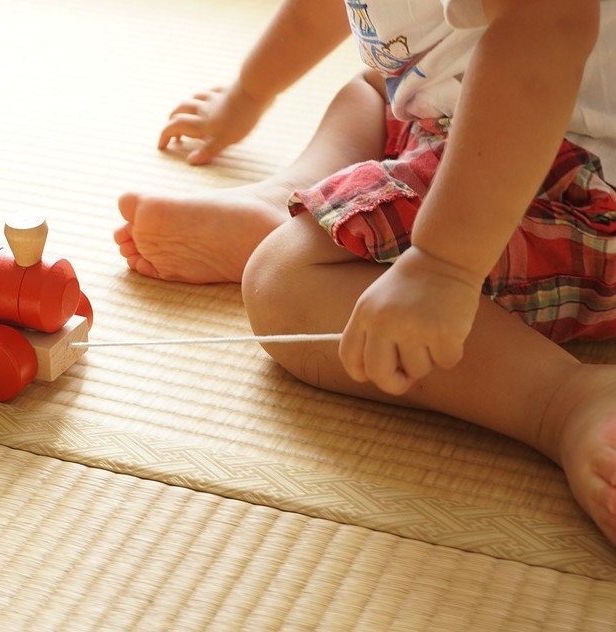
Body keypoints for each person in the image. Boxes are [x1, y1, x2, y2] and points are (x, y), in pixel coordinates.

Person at [114, 0, 616, 547]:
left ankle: (563, 400)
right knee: (375, 87)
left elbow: (548, 32)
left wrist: (443, 268)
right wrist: (248, 93)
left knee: (286, 281)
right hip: (467, 121)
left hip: (573, 187)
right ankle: (294, 197)